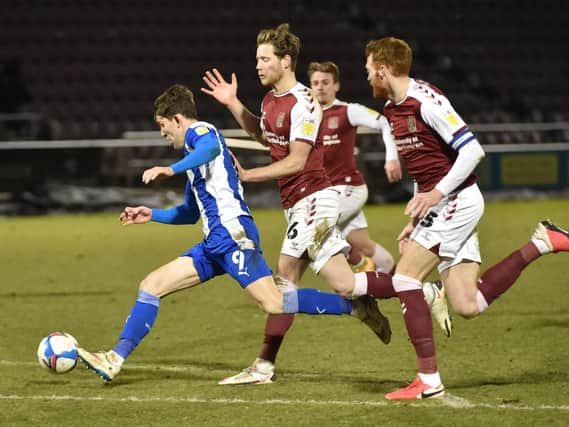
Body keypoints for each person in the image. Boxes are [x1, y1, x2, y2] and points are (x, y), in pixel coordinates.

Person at [75, 84, 388, 383]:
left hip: (232, 233)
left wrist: (170, 169)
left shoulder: (203, 132)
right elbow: (188, 212)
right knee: (151, 285)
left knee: (274, 303)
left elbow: (211, 147)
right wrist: (151, 214)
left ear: (178, 119)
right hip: (214, 243)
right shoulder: (193, 156)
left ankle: (357, 307)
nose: (162, 133)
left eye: (162, 125)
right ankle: (114, 359)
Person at [201, 24, 450, 385]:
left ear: (286, 62)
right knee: (330, 284)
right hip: (297, 204)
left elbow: (296, 161)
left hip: (315, 200)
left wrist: (248, 176)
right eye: (257, 59)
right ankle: (280, 356)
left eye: (264, 59)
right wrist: (233, 104)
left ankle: (419, 290)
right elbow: (264, 133)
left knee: (286, 284)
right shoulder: (270, 100)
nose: (258, 65)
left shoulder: (305, 103)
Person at [364, 36, 569, 400]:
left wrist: (436, 195)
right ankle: (542, 243)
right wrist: (416, 216)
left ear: (383, 69)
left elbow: (473, 150)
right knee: (467, 304)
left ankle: (428, 380)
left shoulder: (425, 101)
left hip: (457, 201)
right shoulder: (394, 110)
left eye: (368, 69)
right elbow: (424, 169)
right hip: (442, 205)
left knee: (406, 279)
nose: (366, 77)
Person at [308, 60, 400, 274]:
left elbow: (385, 122)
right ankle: (401, 282)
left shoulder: (347, 111)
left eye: (325, 82)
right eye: (315, 83)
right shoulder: (307, 116)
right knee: (364, 244)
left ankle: (357, 261)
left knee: (316, 229)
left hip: (349, 188)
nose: (320, 87)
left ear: (336, 85)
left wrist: (392, 157)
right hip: (326, 192)